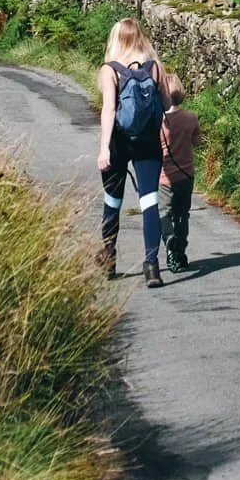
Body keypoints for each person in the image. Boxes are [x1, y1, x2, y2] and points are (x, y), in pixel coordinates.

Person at [96, 17, 181, 288]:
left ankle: (109, 257)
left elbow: (109, 110)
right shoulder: (156, 69)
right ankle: (152, 266)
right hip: (148, 142)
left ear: (116, 38)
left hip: (119, 142)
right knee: (150, 203)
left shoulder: (109, 69)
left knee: (113, 201)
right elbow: (168, 107)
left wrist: (103, 149)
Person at [161, 86, 201, 273]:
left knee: (164, 213)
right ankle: (181, 252)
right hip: (186, 174)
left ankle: (169, 241)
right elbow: (197, 142)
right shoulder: (191, 118)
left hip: (164, 176)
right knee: (182, 214)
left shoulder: (159, 121)